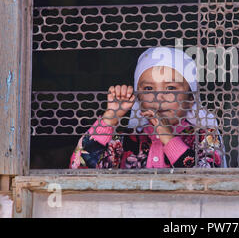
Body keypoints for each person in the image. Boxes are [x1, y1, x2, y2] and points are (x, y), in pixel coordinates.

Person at [70, 47, 226, 169]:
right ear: (139, 99)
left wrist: (166, 136)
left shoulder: (205, 136)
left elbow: (206, 181)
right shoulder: (125, 139)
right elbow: (79, 168)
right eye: (149, 89)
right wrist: (111, 117)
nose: (158, 97)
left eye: (171, 88)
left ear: (190, 98)